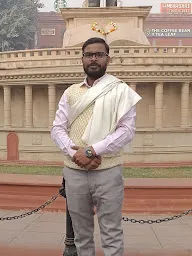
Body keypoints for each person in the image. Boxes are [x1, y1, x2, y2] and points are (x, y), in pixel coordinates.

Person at [51, 37, 141, 256]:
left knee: (111, 233)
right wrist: (76, 154)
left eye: (99, 54)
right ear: (82, 59)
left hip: (108, 172)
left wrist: (91, 151)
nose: (93, 58)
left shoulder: (120, 90)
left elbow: (127, 130)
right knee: (81, 236)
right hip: (74, 172)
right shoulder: (71, 92)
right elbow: (57, 129)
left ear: (108, 59)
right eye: (88, 54)